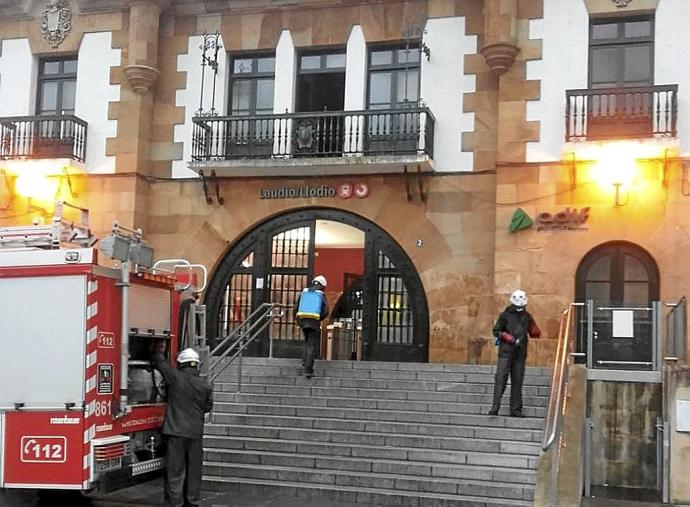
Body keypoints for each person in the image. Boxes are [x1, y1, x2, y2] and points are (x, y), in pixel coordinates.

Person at [151, 342, 214, 507]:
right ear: (197, 365)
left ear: (181, 364)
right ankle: (192, 501)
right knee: (194, 469)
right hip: (195, 433)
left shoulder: (175, 377)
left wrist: (157, 350)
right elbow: (208, 407)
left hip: (176, 432)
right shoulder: (205, 384)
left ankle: (176, 502)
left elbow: (161, 364)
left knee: (175, 470)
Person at [488, 289, 541, 418]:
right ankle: (495, 407)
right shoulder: (505, 315)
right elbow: (496, 330)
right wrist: (508, 338)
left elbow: (534, 331)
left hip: (520, 352)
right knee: (501, 379)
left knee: (517, 381)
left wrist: (534, 331)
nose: (520, 308)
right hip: (506, 352)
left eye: (522, 306)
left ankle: (516, 409)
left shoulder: (527, 316)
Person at [294, 275, 329, 379]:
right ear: (322, 286)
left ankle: (304, 361)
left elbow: (296, 307)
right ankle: (308, 370)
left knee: (307, 341)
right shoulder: (320, 295)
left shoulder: (304, 292)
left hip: (303, 321)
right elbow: (326, 311)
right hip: (314, 322)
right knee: (311, 345)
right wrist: (319, 318)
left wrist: (298, 320)